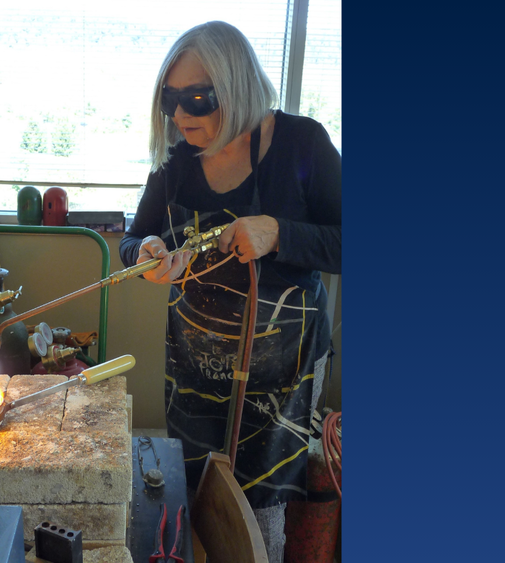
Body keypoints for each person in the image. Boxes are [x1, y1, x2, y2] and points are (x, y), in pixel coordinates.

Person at [119, 21, 341, 562]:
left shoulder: (301, 145)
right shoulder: (177, 160)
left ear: (237, 85)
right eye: (171, 100)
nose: (179, 116)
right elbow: (131, 239)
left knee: (258, 518)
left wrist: (279, 233)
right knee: (191, 497)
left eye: (195, 99)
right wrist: (147, 251)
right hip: (193, 374)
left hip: (281, 385)